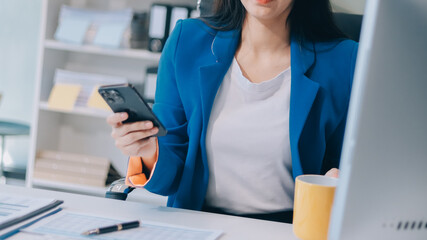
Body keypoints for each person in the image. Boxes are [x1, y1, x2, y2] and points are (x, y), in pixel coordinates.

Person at [106, 0, 358, 223]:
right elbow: (170, 179)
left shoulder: (343, 60)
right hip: (199, 223)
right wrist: (147, 151)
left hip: (287, 229)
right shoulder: (187, 42)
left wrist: (345, 178)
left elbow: (352, 164)